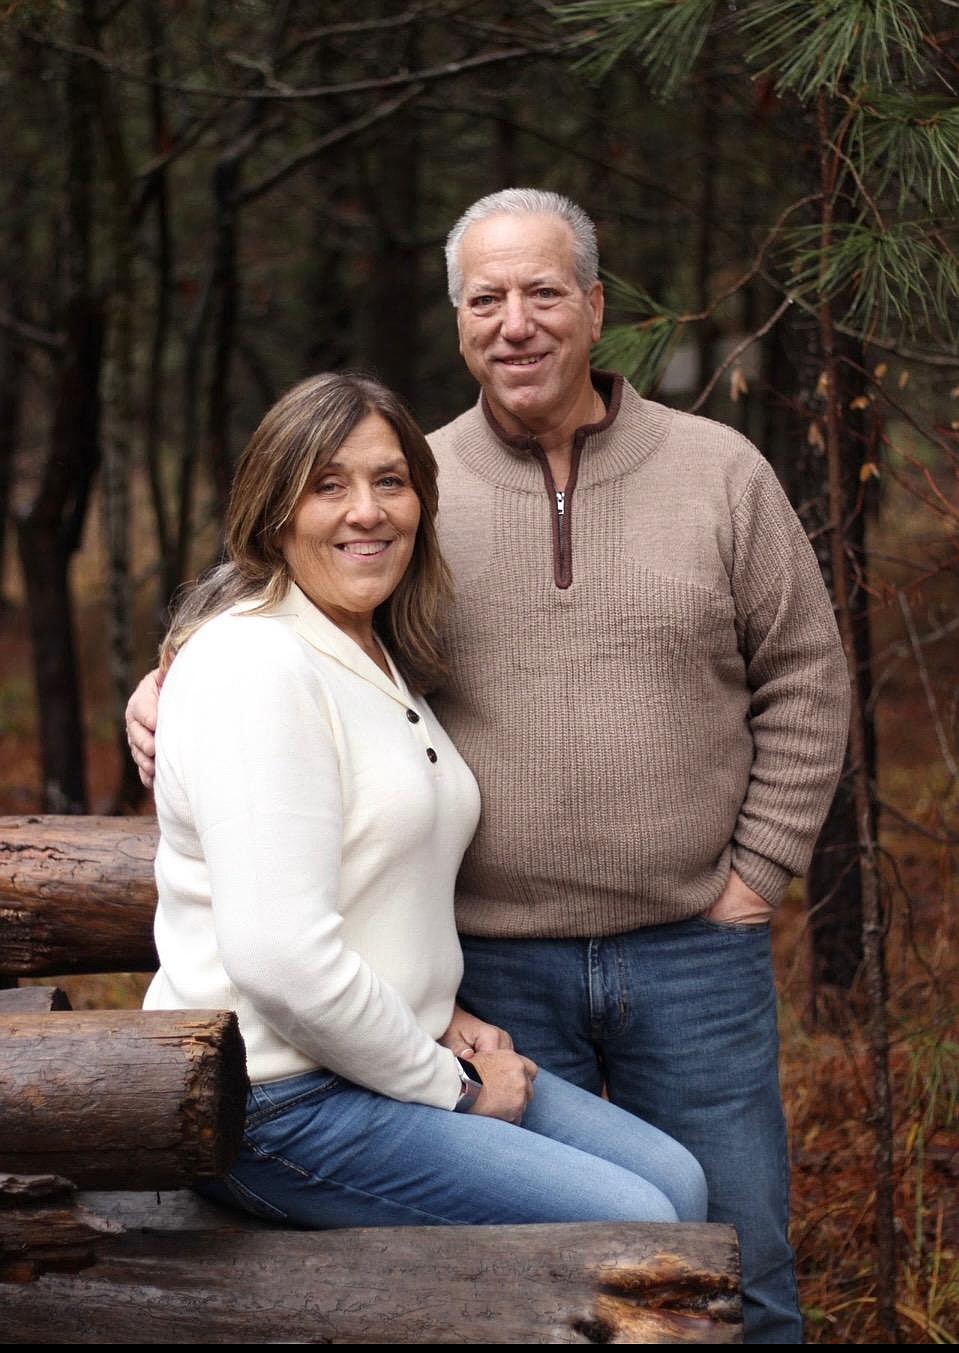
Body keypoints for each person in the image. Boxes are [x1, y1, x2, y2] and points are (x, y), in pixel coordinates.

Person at [128, 192, 850, 1338]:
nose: (514, 323)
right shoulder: (417, 480)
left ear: (596, 307)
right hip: (494, 967)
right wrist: (169, 674)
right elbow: (273, 588)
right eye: (484, 298)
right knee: (573, 1276)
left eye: (543, 292)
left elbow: (807, 676)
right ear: (457, 319)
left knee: (735, 1247)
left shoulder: (716, 472)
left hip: (682, 953)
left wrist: (755, 872)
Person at [142, 369, 708, 1232]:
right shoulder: (252, 666)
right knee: (634, 1222)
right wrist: (450, 1087)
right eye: (327, 484)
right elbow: (279, 955)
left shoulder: (368, 651)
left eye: (389, 480)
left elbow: (371, 887)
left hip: (385, 1053)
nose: (366, 510)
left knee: (677, 1178)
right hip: (271, 1100)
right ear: (274, 510)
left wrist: (442, 1019)